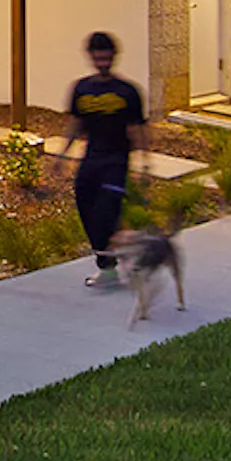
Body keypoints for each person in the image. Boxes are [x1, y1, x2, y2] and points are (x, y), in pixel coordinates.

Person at [63, 31, 150, 289]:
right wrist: (61, 155)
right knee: (87, 213)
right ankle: (109, 267)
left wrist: (145, 165)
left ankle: (126, 253)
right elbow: (76, 123)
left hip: (116, 162)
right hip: (90, 161)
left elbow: (138, 129)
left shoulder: (128, 92)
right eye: (97, 57)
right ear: (91, 57)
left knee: (105, 215)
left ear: (113, 57)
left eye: (106, 57)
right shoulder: (81, 89)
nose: (102, 62)